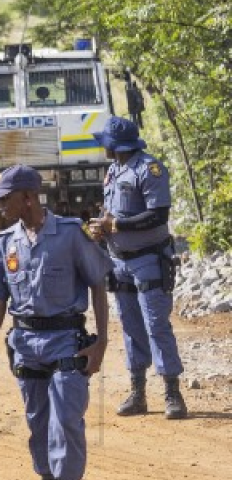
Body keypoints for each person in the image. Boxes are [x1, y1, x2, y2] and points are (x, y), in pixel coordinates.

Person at [0, 165, 113, 480]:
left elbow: (98, 284)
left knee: (66, 422)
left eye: (6, 198)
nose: (0, 205)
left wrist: (101, 341)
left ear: (29, 198)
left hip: (67, 340)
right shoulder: (6, 242)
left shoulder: (69, 234)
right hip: (26, 345)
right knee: (38, 423)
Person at [87, 115, 187, 419]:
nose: (102, 147)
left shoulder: (149, 168)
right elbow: (111, 213)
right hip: (119, 261)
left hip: (148, 260)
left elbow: (158, 214)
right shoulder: (114, 170)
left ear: (116, 144)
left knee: (157, 325)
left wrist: (115, 224)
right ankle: (138, 392)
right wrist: (101, 230)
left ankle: (172, 393)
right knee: (130, 328)